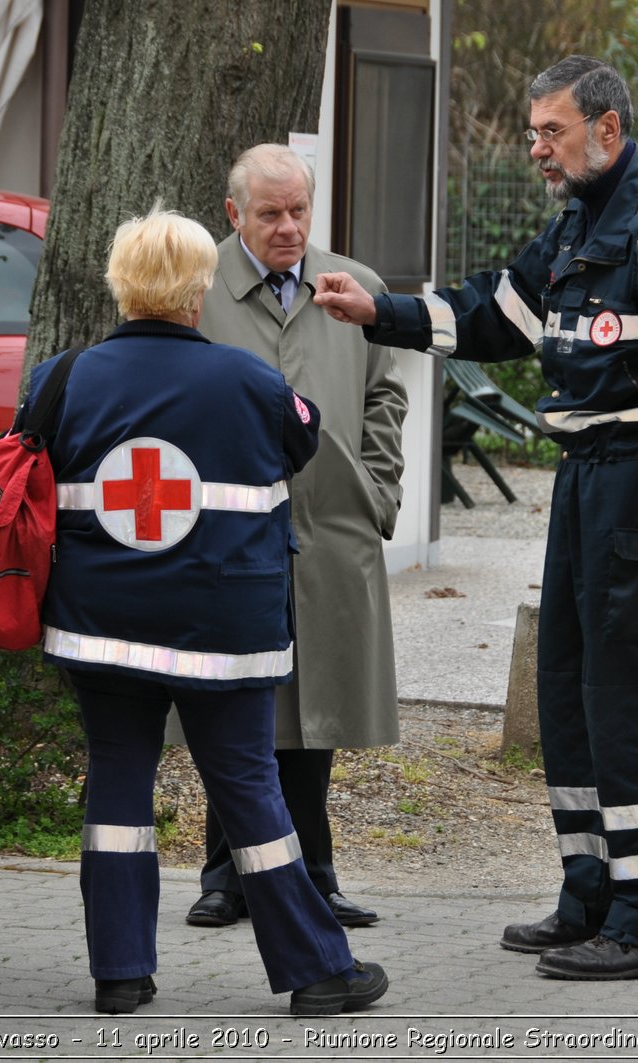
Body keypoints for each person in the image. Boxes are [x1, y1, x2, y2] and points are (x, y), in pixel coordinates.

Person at [315, 55, 638, 981]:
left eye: (552, 132)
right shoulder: (583, 221)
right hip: (588, 479)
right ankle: (590, 893)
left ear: (608, 129)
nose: (537, 149)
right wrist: (375, 311)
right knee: (571, 686)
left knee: (633, 698)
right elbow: (496, 314)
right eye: (535, 133)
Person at [28, 207, 389, 1017]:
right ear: (198, 293)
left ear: (120, 286)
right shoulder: (254, 382)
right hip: (223, 636)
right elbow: (304, 446)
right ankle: (315, 970)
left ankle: (120, 973)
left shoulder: (63, 379)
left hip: (103, 629)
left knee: (116, 787)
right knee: (251, 795)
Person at [178, 144, 408, 932]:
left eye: (299, 211)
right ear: (233, 213)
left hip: (333, 524)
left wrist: (378, 490)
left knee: (317, 703)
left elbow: (386, 395)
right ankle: (224, 870)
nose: (288, 228)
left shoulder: (354, 286)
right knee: (235, 697)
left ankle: (315, 868)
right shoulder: (195, 285)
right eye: (270, 213)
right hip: (227, 532)